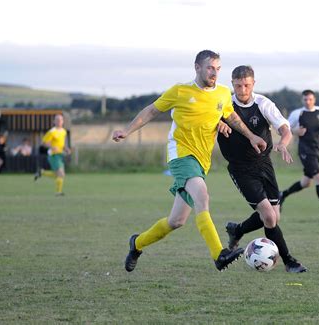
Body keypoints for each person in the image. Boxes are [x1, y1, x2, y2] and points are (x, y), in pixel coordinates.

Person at [112, 50, 267, 272]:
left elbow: (231, 116)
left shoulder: (223, 93)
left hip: (202, 160)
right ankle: (219, 254)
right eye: (210, 67)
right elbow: (151, 111)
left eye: (217, 68)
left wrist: (252, 136)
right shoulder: (180, 91)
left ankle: (136, 244)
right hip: (181, 154)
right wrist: (127, 131)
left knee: (176, 221)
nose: (214, 72)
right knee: (202, 196)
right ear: (197, 67)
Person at [217, 65, 307, 273]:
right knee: (268, 216)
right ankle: (289, 261)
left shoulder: (263, 103)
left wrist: (283, 143)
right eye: (238, 85)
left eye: (246, 85)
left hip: (263, 164)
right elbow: (205, 123)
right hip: (240, 168)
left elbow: (284, 129)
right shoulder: (223, 105)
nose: (242, 90)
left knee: (274, 217)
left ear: (253, 83)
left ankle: (237, 229)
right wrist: (217, 125)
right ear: (232, 84)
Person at [279, 90, 319, 221]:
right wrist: (296, 131)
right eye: (305, 100)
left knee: (306, 182)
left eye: (310, 99)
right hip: (304, 150)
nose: (308, 102)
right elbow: (285, 130)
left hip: (316, 149)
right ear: (302, 100)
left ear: (314, 99)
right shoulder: (297, 113)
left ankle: (282, 195)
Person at [34, 114, 71, 196]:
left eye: (60, 120)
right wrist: (52, 147)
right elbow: (44, 143)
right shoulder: (52, 131)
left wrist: (66, 149)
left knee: (59, 174)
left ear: (63, 121)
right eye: (57, 120)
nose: (59, 121)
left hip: (60, 154)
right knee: (61, 174)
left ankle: (42, 172)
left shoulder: (64, 131)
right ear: (54, 121)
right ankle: (58, 192)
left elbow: (62, 144)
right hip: (53, 155)